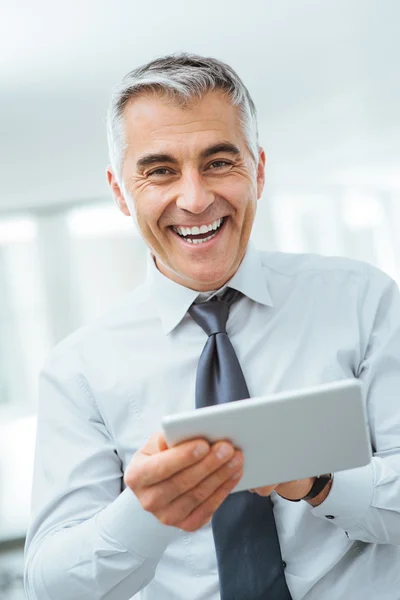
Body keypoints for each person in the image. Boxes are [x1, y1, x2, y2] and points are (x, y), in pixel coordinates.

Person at [24, 53, 400, 600]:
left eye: (220, 162)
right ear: (119, 191)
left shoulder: (361, 299)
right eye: (159, 171)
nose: (195, 199)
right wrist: (146, 513)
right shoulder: (77, 370)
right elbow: (52, 585)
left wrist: (320, 483)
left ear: (260, 170)